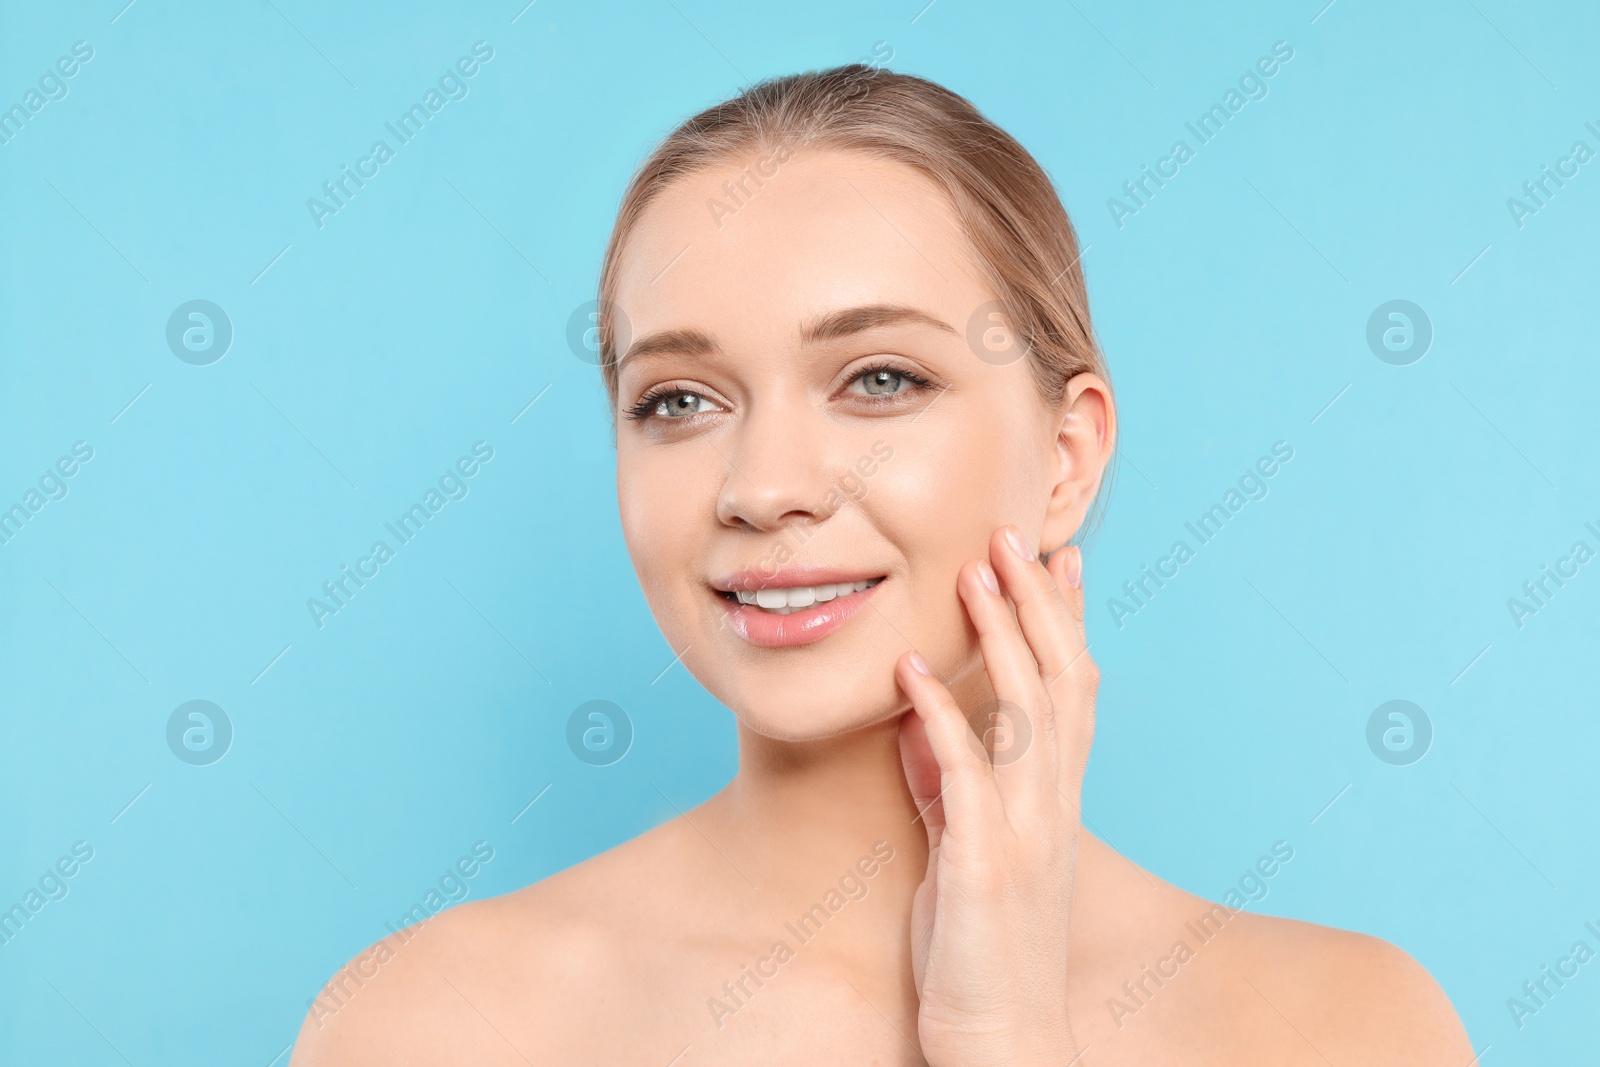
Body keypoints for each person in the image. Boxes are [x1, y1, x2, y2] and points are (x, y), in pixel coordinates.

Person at [291, 64, 1473, 1065]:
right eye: (679, 399)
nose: (762, 487)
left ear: (1066, 456)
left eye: (879, 380)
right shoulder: (430, 1021)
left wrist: (1008, 1029)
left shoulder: (1347, 1024)